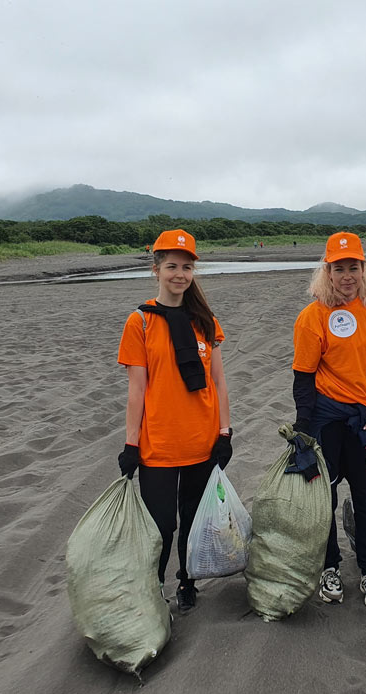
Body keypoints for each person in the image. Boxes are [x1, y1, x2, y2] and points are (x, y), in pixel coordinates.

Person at [117, 229, 233, 613]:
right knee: (161, 526)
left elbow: (217, 381)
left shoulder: (204, 321)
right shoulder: (141, 322)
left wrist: (225, 431)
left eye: (186, 267)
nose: (179, 274)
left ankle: (187, 581)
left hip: (201, 441)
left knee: (195, 521)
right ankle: (154, 587)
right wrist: (131, 443)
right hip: (158, 446)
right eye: (171, 266)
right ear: (156, 270)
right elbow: (138, 389)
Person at [292, 232, 366, 612]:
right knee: (324, 497)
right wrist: (303, 424)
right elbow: (303, 376)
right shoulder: (313, 315)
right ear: (328, 272)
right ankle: (330, 567)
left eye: (353, 267)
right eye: (338, 268)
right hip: (327, 417)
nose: (346, 275)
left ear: (363, 269)